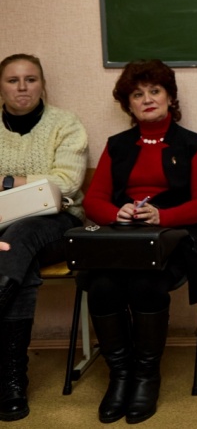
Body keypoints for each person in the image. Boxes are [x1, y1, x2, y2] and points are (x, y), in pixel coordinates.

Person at [80, 59, 197, 424]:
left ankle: (146, 377)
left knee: (146, 282)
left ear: (170, 97)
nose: (147, 99)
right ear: (128, 105)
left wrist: (163, 216)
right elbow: (93, 201)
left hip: (176, 240)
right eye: (137, 94)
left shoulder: (192, 144)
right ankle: (120, 376)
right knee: (101, 284)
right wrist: (117, 213)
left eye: (154, 91)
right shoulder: (117, 146)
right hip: (125, 239)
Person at [0, 53, 88, 422]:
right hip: (5, 231)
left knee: (20, 235)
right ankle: (11, 381)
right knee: (17, 255)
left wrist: (6, 182)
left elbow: (66, 184)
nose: (22, 87)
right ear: (1, 87)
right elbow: (51, 180)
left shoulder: (65, 124)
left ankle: (10, 379)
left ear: (43, 85)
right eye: (13, 80)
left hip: (58, 223)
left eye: (31, 79)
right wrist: (35, 182)